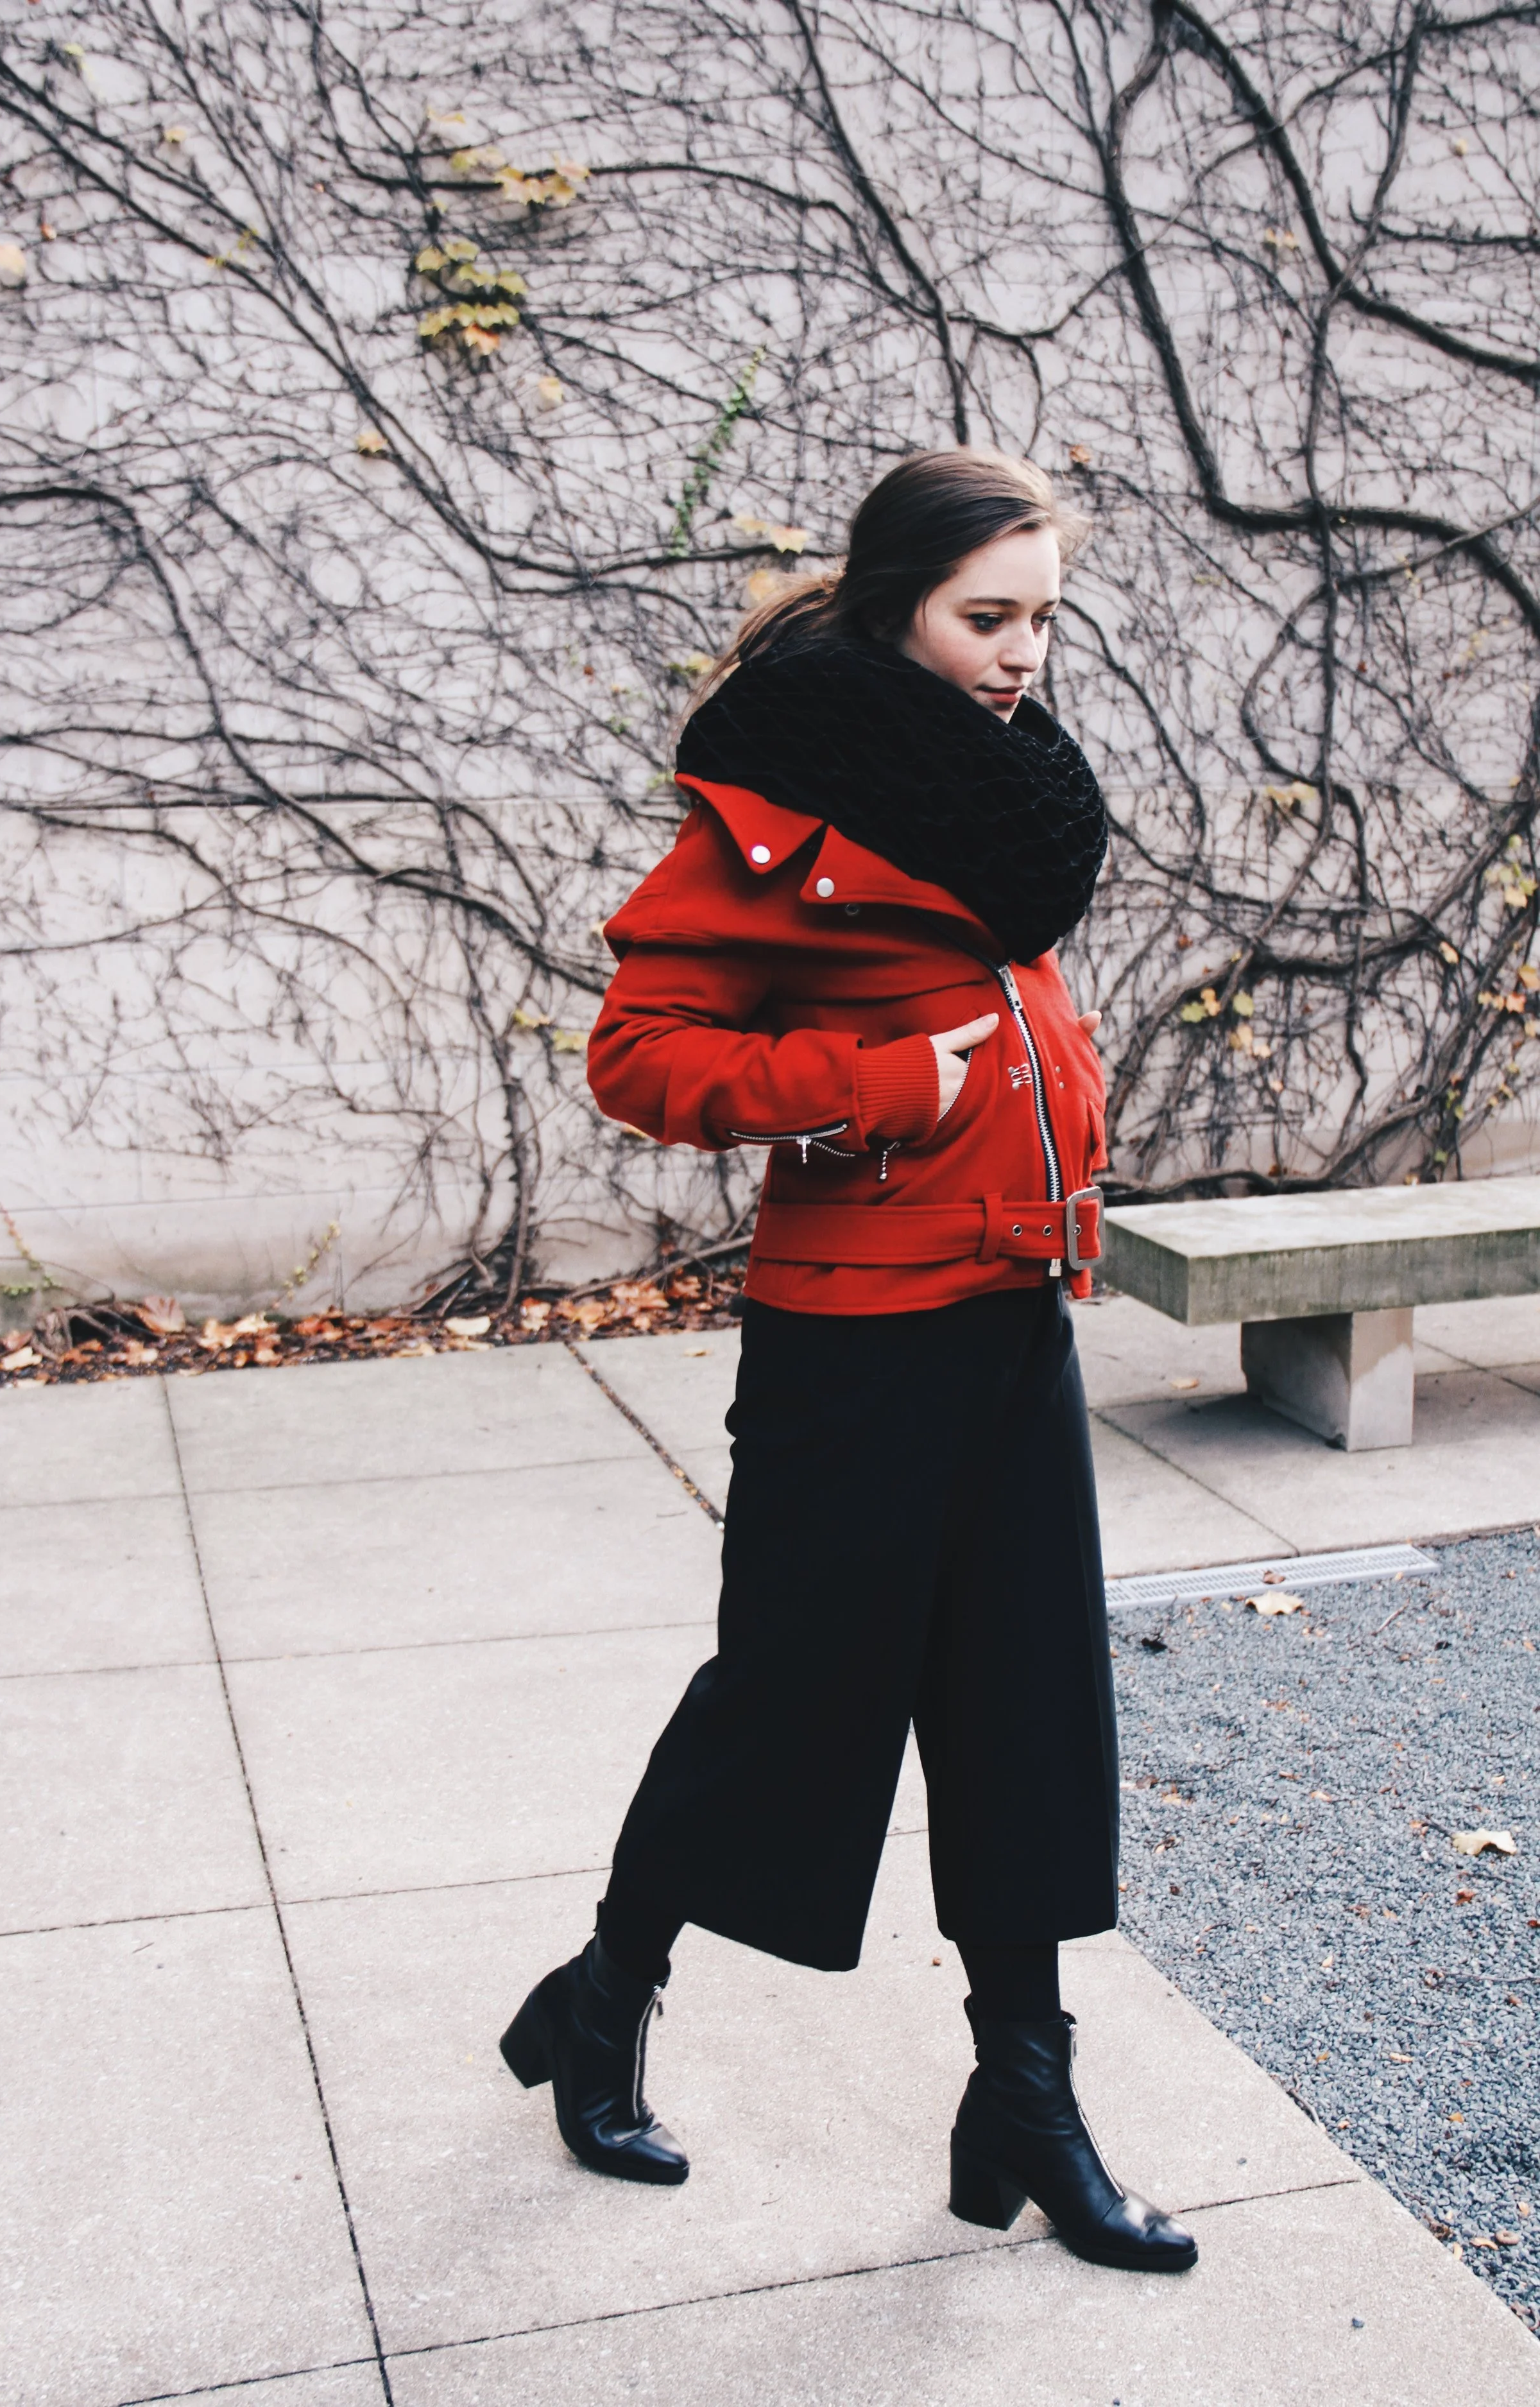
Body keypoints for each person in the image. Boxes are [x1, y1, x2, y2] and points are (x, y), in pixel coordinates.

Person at [499, 448, 1197, 2275]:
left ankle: (1023, 2096)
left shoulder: (994, 793)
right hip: (852, 1337)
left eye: (1041, 615)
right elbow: (640, 1057)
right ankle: (602, 1990)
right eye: (988, 615)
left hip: (1006, 1311)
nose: (1022, 651)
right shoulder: (774, 800)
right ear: (895, 601)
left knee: (1022, 1705)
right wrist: (881, 1087)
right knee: (792, 1700)